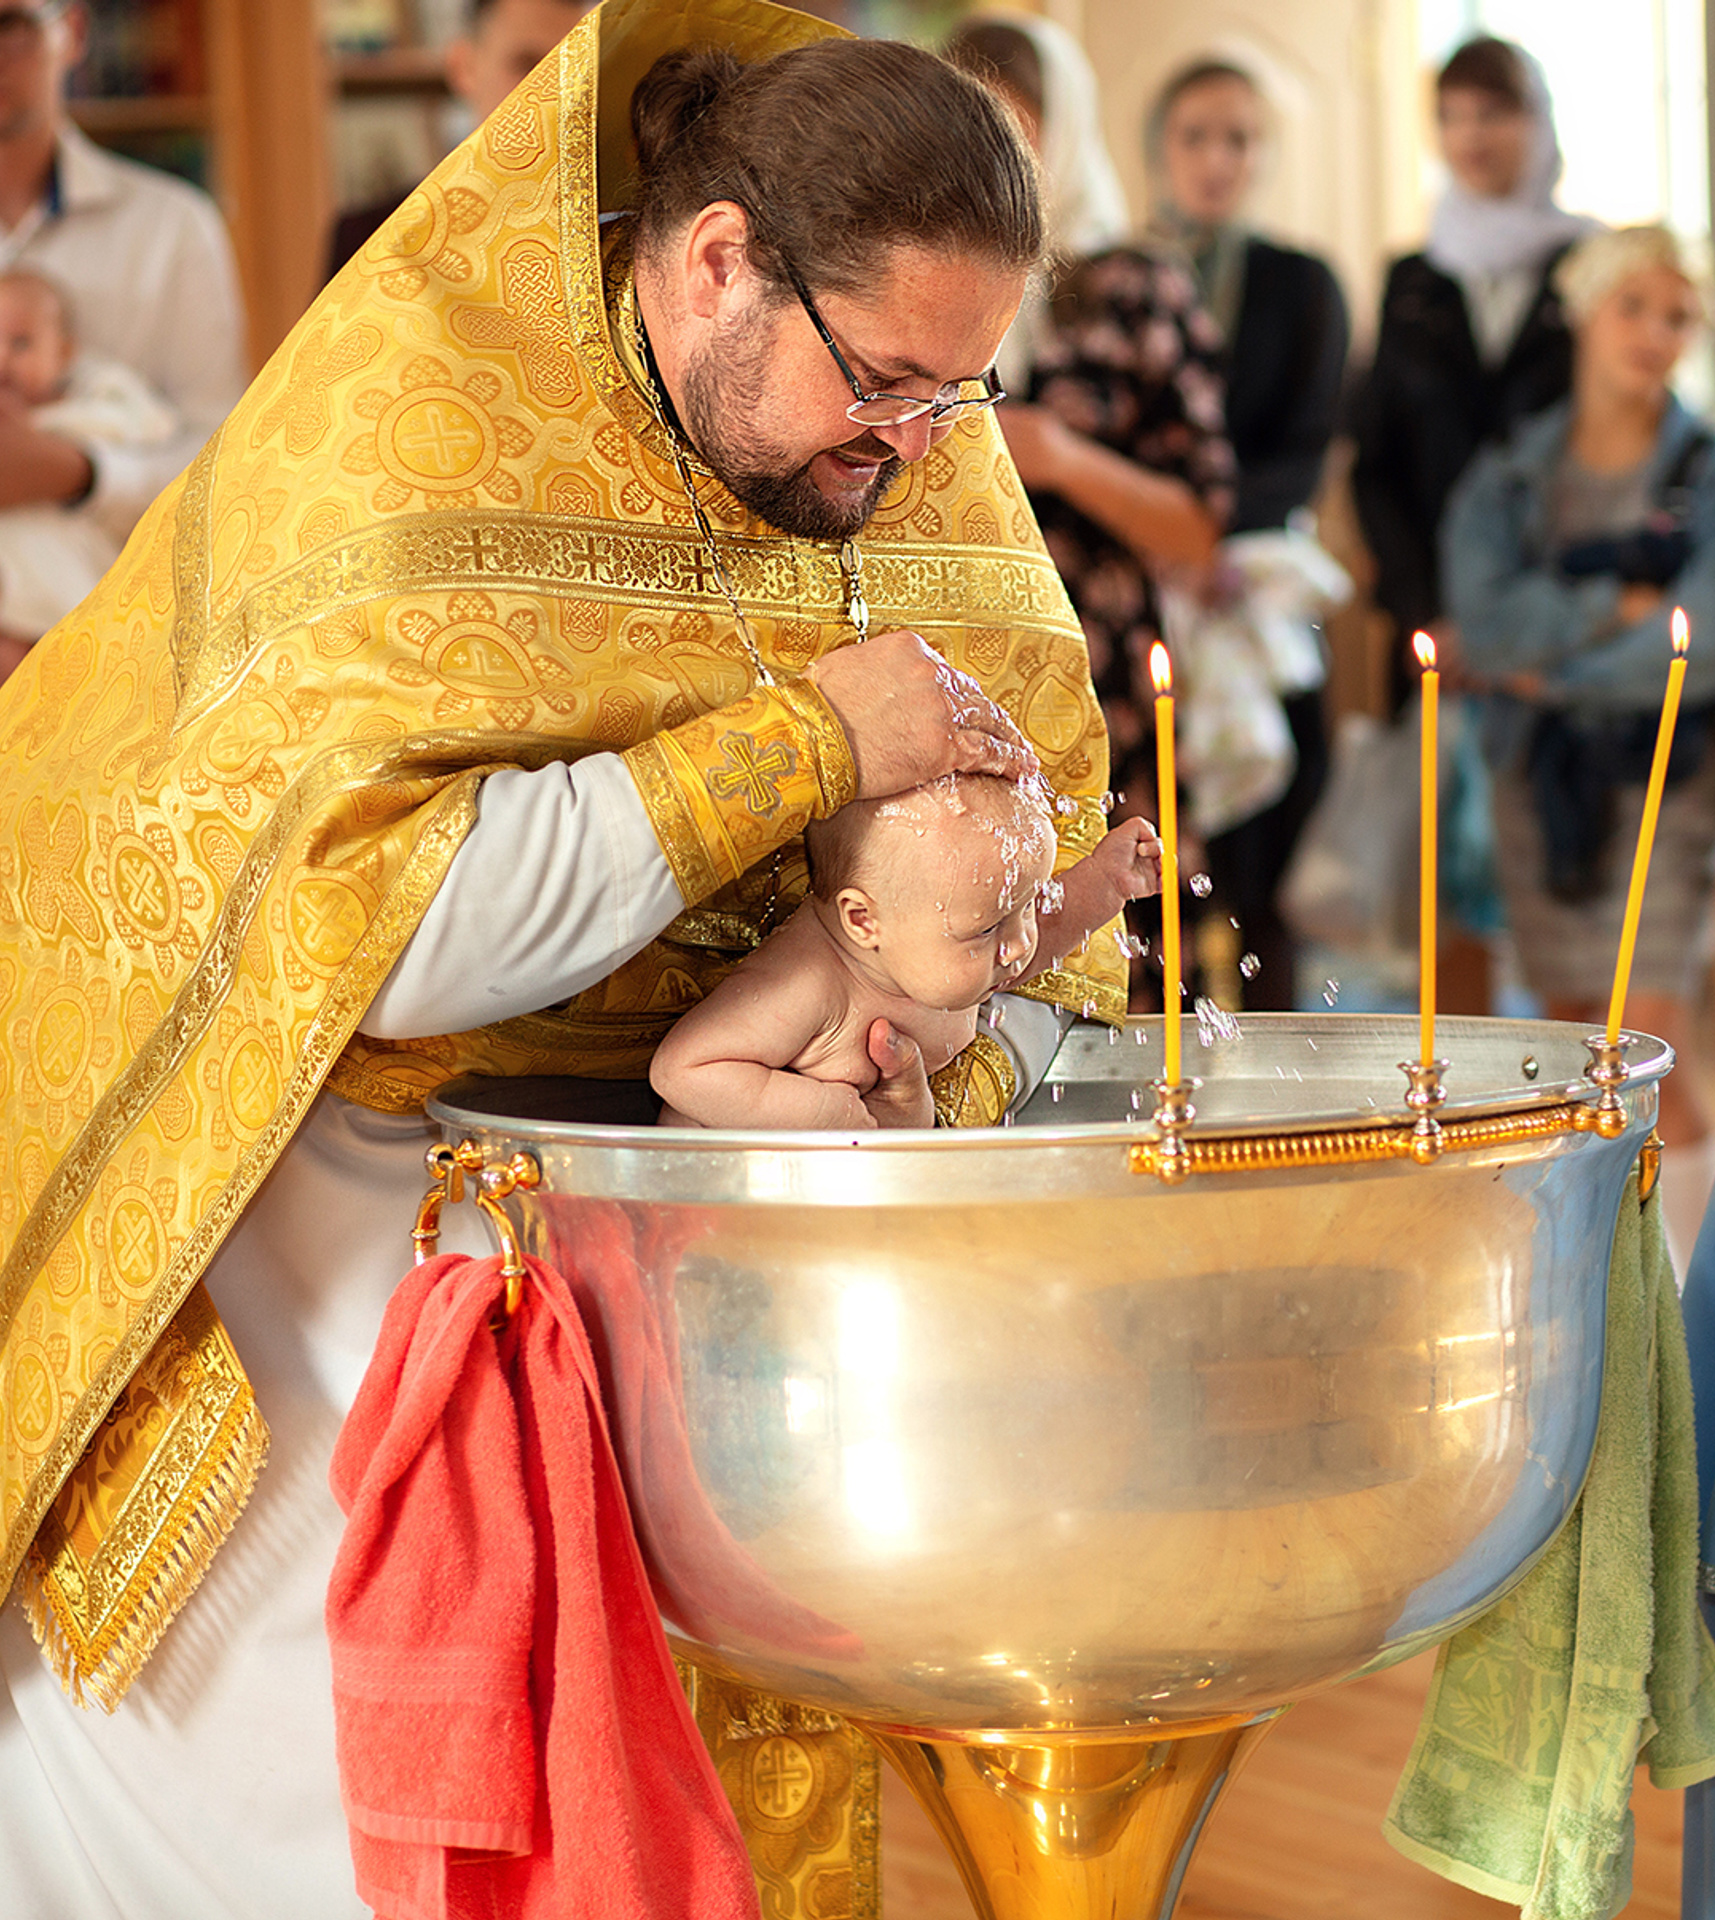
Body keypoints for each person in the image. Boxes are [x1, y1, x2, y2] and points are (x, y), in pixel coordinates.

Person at [0, 7, 1125, 1916]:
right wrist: (804, 746)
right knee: (360, 1828)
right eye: (887, 381)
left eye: (966, 395)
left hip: (713, 1288)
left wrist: (934, 1024)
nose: (921, 450)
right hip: (338, 1265)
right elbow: (366, 932)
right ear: (716, 266)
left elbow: (1042, 934)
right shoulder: (412, 412)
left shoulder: (909, 454)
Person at [1442, 224, 1715, 1261]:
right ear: (1585, 312)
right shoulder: (1511, 473)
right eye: (1631, 306)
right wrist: (1615, 605)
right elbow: (1481, 617)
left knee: (1653, 1036)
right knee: (1565, 1036)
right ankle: (1585, 1276)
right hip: (1536, 779)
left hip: (1672, 774)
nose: (1651, 333)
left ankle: (1694, 1295)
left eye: (1676, 316)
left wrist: (1551, 667)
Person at [947, 17, 1236, 1009]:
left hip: (1099, 670)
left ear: (1059, 128)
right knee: (966, 946)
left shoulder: (1136, 289)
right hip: (953, 663)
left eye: (1014, 126)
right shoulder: (927, 272)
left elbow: (1200, 525)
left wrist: (1063, 459)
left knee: (1129, 963)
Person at [1147, 54, 1350, 1008]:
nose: (1217, 158)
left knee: (1271, 850)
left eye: (1239, 138)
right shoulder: (1126, 271)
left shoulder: (1302, 281)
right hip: (1152, 584)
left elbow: (1311, 437)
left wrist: (1211, 533)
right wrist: (1163, 538)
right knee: (1165, 864)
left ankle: (1283, 1058)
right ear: (1161, 150)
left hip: (1259, 580)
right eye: (1196, 135)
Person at [652, 773, 1161, 1128]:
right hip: (722, 1198)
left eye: (1028, 904)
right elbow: (683, 1071)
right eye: (987, 929)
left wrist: (1103, 884)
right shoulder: (808, 983)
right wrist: (832, 1116)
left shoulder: (949, 942)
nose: (1019, 944)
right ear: (863, 920)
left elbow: (1029, 945)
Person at [1350, 34, 1594, 714]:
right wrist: (1423, 611)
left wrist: (1513, 620)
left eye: (1491, 112)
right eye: (1451, 116)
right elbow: (1377, 463)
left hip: (1556, 620)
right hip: (1434, 631)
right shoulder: (1414, 279)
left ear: (1537, 121)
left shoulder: (1592, 269)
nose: (1470, 135)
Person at [0, 0, 245, 669]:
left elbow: (225, 469)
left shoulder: (173, 230)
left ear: (71, 32)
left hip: (116, 661)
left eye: (9, 25)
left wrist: (77, 473)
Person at [324, 0, 591, 279]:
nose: (552, 91)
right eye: (528, 66)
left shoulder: (610, 233)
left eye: (570, 70)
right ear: (463, 67)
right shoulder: (372, 241)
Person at [0, 266, 178, 657]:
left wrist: (55, 452)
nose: (3, 361)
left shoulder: (87, 407)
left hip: (73, 587)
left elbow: (153, 429)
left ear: (63, 353)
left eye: (21, 343)